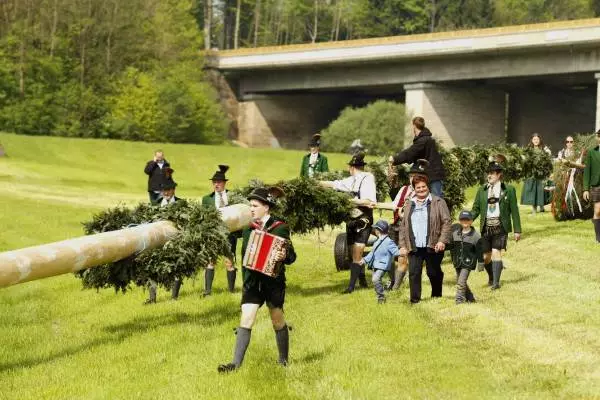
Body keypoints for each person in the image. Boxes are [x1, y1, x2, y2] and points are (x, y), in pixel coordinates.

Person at [218, 187, 296, 373]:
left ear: (266, 207)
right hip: (251, 281)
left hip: (272, 283)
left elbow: (292, 257)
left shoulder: (280, 227)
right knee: (246, 318)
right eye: (250, 205)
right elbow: (225, 232)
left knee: (277, 320)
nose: (251, 209)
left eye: (255, 205)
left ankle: (283, 360)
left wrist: (283, 254)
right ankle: (235, 365)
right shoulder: (246, 227)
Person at [319, 152, 377, 294]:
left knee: (357, 253)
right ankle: (362, 280)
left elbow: (369, 201)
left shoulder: (368, 179)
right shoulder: (351, 180)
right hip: (351, 220)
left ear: (351, 167)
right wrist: (318, 184)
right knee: (352, 254)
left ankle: (351, 287)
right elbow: (335, 184)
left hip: (363, 220)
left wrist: (348, 201)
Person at [397, 174, 451, 304]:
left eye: (423, 186)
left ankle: (436, 295)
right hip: (414, 245)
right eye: (418, 187)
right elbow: (403, 226)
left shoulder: (438, 202)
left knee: (433, 272)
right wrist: (402, 245)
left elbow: (446, 222)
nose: (421, 189)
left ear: (428, 186)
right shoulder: (409, 204)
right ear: (414, 189)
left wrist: (442, 240)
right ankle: (415, 300)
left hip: (433, 244)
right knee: (414, 273)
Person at [471, 156, 521, 290]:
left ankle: (496, 283)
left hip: (500, 226)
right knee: (485, 256)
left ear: (499, 175)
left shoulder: (509, 190)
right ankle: (492, 277)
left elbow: (514, 210)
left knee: (496, 252)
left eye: (492, 173)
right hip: (486, 227)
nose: (489, 175)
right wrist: (468, 219)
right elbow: (476, 208)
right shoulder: (482, 190)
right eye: (488, 173)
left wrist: (517, 230)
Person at [378, 159, 429, 290]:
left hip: (408, 229)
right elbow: (394, 205)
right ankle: (393, 280)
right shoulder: (404, 189)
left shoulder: (424, 193)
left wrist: (405, 215)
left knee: (402, 257)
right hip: (395, 226)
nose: (412, 178)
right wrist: (375, 204)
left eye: (415, 176)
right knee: (386, 254)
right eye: (411, 176)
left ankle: (394, 288)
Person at [201, 165, 241, 296]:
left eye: (218, 182)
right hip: (213, 234)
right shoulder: (207, 199)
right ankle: (207, 291)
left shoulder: (232, 196)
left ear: (224, 183)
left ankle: (231, 290)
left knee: (229, 262)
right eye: (214, 182)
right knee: (209, 262)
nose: (216, 184)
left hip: (229, 234)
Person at [145, 171, 181, 304]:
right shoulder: (155, 204)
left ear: (173, 190)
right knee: (152, 266)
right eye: (163, 190)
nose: (165, 193)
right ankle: (152, 298)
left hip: (174, 240)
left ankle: (174, 297)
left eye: (168, 190)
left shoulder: (181, 203)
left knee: (176, 267)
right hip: (157, 239)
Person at [388, 116, 446, 197]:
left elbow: (410, 153)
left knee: (436, 200)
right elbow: (414, 155)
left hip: (433, 175)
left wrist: (395, 159)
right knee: (433, 200)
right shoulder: (427, 138)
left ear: (414, 126)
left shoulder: (423, 140)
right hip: (434, 174)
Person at [360, 220, 400, 304]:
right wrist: (364, 260)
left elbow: (396, 251)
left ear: (378, 230)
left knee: (375, 279)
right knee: (376, 280)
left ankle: (381, 298)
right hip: (376, 264)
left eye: (375, 229)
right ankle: (383, 291)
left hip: (383, 265)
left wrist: (402, 252)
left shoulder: (389, 241)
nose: (374, 230)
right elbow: (372, 253)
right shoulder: (377, 241)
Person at [448, 211, 483, 304]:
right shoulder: (455, 233)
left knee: (461, 281)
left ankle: (459, 300)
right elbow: (451, 246)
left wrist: (481, 262)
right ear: (459, 221)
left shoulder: (476, 236)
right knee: (460, 280)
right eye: (463, 219)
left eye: (467, 220)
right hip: (457, 262)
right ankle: (470, 298)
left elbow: (479, 251)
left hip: (468, 262)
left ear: (471, 221)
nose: (465, 222)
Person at [521, 133, 552, 214]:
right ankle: (534, 209)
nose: (536, 141)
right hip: (532, 174)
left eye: (537, 139)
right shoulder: (529, 149)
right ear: (532, 140)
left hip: (541, 174)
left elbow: (547, 160)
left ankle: (541, 207)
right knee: (533, 191)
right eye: (534, 139)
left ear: (540, 140)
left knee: (541, 190)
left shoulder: (544, 149)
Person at [582, 130, 600, 242]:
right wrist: (585, 189)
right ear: (598, 138)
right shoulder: (591, 152)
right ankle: (598, 237)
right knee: (598, 210)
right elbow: (587, 171)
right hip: (596, 185)